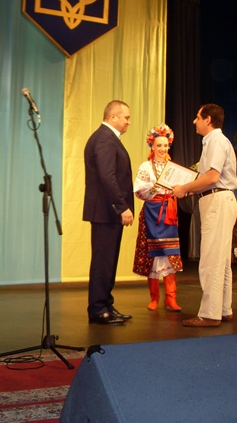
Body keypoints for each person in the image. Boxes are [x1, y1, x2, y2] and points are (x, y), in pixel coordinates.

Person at [172, 103, 237, 327]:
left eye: (198, 117)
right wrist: (191, 187)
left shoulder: (215, 141)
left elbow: (212, 177)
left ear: (208, 119)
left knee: (211, 259)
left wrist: (184, 188)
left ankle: (210, 314)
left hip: (217, 200)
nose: (194, 121)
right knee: (221, 260)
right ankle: (224, 309)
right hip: (220, 199)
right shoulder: (215, 141)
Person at [83, 100, 134, 325]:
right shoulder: (104, 138)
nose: (129, 122)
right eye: (126, 118)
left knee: (108, 261)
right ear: (113, 116)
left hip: (108, 211)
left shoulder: (108, 138)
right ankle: (98, 309)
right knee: (103, 261)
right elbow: (107, 176)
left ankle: (105, 304)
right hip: (106, 211)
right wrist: (121, 206)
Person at [133, 124, 183, 312]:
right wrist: (153, 188)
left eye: (165, 145)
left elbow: (182, 188)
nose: (163, 149)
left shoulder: (173, 168)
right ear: (152, 146)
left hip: (168, 212)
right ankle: (154, 297)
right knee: (152, 255)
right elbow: (139, 190)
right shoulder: (145, 167)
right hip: (152, 212)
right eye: (159, 145)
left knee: (170, 253)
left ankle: (171, 298)